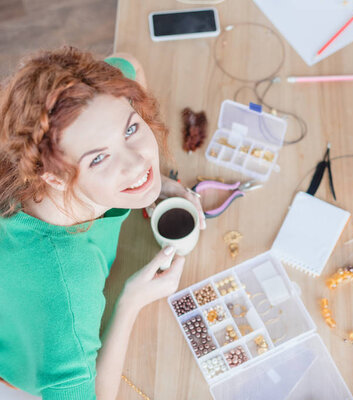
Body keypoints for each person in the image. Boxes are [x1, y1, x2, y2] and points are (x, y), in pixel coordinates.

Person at [0, 47, 206, 399]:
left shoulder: (36, 141)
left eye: (130, 129)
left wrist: (156, 184)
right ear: (54, 178)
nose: (136, 163)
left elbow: (129, 63)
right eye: (98, 159)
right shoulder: (67, 289)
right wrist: (131, 301)